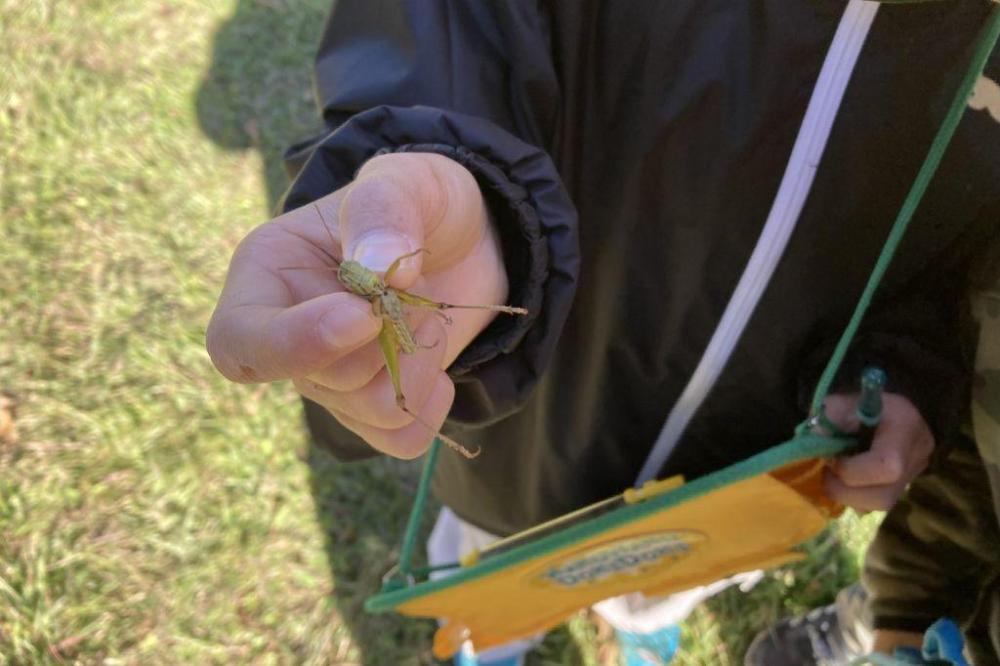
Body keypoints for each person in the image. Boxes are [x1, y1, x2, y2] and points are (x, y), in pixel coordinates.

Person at [205, 1, 1000, 663]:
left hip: (736, 455)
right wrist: (453, 167)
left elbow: (963, 266)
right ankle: (493, 636)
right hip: (539, 415)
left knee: (672, 567)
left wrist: (905, 367)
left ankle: (645, 618)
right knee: (492, 560)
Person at [745, 245, 1000, 666]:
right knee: (892, 603)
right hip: (935, 589)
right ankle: (860, 625)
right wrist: (906, 610)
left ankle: (869, 623)